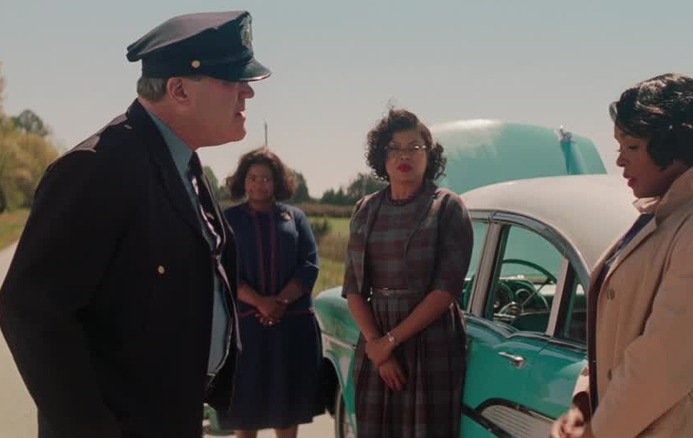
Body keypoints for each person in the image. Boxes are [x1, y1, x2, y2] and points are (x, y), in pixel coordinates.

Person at [0, 11, 271, 438]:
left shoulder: (185, 166)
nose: (246, 94)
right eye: (231, 79)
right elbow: (31, 311)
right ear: (179, 89)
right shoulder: (99, 168)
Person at [550, 73, 693, 438]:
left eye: (631, 148)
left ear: (669, 147)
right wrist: (583, 405)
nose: (619, 162)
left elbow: (663, 359)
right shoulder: (656, 220)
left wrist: (600, 431)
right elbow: (613, 336)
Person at [343, 108, 474, 438]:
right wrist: (378, 347)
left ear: (429, 155)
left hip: (430, 340)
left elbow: (446, 290)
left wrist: (391, 341)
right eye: (394, 147)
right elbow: (354, 289)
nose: (405, 155)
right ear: (381, 157)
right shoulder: (366, 209)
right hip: (376, 341)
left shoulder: (447, 206)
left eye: (414, 147)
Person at [214, 148, 320, 438]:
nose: (259, 184)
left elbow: (309, 264)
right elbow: (222, 269)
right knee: (245, 414)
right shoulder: (228, 219)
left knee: (286, 411)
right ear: (242, 181)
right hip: (247, 330)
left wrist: (280, 302)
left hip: (291, 328)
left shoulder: (295, 218)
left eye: (266, 178)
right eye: (253, 178)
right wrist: (261, 303)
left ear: (278, 182)